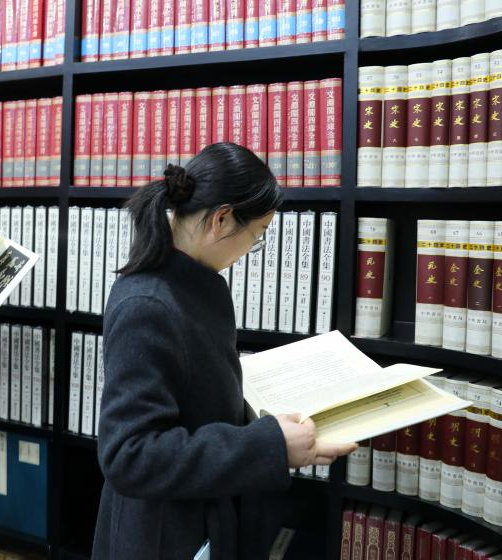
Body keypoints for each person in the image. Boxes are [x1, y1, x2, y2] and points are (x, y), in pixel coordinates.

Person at [92, 143, 357, 560]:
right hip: (167, 537)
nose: (252, 248)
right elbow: (131, 456)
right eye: (257, 236)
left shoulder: (193, 284)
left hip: (203, 516)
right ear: (221, 219)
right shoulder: (147, 305)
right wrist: (270, 445)